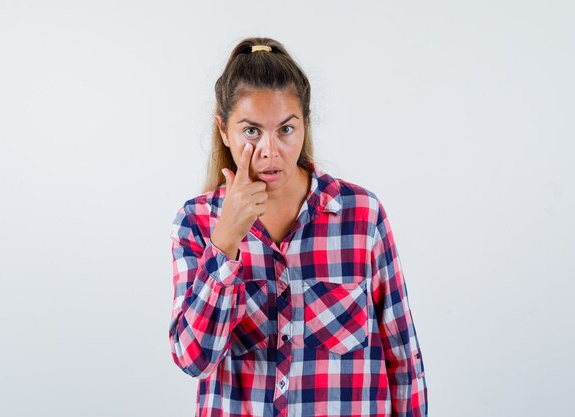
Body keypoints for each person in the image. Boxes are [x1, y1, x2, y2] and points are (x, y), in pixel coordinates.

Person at [169, 37, 428, 417]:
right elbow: (194, 360)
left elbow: (402, 357)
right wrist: (225, 241)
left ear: (305, 124)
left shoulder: (361, 215)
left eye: (286, 130)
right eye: (252, 131)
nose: (270, 150)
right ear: (224, 130)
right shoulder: (196, 222)